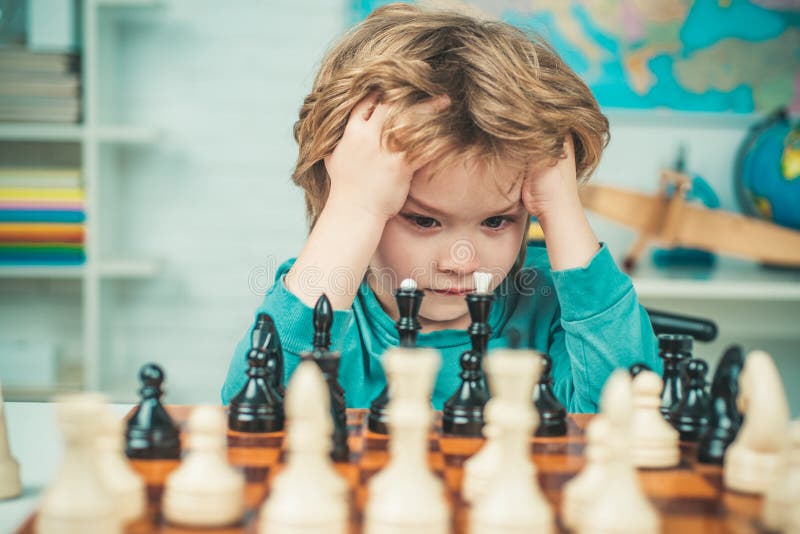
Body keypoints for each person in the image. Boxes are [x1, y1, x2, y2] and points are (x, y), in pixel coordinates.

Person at [221, 3, 660, 412]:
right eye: (424, 220)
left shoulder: (549, 307)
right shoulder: (326, 294)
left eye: (496, 221)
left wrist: (563, 208)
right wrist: (352, 207)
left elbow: (629, 418)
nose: (460, 261)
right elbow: (253, 416)